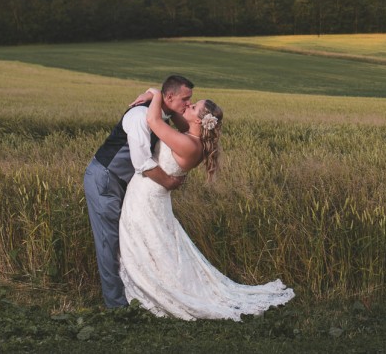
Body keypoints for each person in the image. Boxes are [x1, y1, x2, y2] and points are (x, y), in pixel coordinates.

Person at [118, 87, 295, 320]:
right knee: (156, 244)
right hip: (151, 196)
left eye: (193, 107)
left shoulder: (187, 144)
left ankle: (156, 290)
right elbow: (174, 119)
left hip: (147, 197)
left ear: (200, 120)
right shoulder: (191, 138)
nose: (188, 106)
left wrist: (155, 93)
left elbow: (152, 119)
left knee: (147, 242)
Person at [84, 75, 194, 308]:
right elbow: (142, 163)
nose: (188, 104)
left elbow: (187, 127)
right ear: (170, 96)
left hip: (124, 183)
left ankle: (137, 296)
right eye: (185, 99)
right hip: (105, 179)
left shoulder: (161, 114)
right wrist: (169, 183)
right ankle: (117, 306)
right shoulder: (138, 116)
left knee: (128, 239)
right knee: (109, 242)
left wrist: (155, 94)